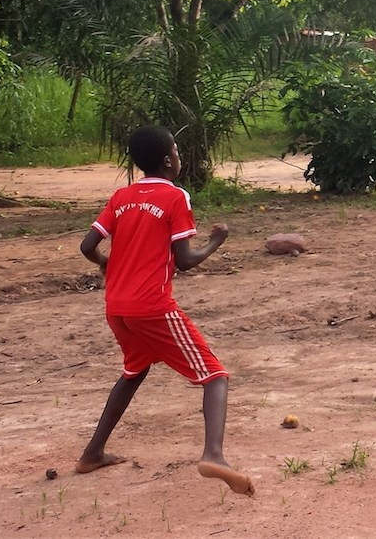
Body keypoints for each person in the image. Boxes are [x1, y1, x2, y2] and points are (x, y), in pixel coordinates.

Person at [77, 125, 254, 496]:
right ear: (168, 160)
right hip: (152, 306)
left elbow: (87, 245)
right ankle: (214, 456)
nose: (178, 155)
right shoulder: (176, 196)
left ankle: (92, 454)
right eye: (176, 150)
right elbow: (184, 260)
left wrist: (105, 263)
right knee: (215, 376)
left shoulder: (122, 196)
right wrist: (215, 242)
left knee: (134, 371)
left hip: (117, 306)